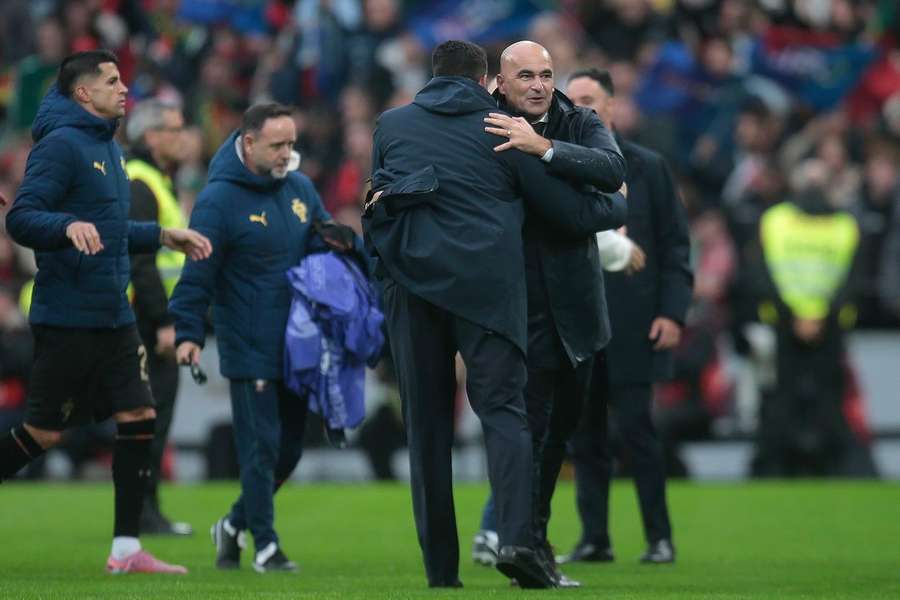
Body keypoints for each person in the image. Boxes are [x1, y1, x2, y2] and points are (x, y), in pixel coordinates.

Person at [364, 40, 626, 589]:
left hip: (413, 289)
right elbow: (567, 209)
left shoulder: (391, 124)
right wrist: (616, 205)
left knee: (427, 431)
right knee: (506, 415)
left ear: (432, 76)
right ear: (488, 82)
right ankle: (515, 541)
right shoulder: (501, 128)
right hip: (486, 292)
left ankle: (441, 572)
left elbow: (378, 194)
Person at [0, 50, 211, 574]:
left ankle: (126, 549)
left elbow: (111, 231)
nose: (123, 89)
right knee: (43, 433)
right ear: (83, 93)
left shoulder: (108, 148)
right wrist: (65, 225)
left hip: (114, 315)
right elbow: (22, 217)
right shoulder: (61, 146)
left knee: (140, 416)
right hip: (68, 316)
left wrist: (161, 235)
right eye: (112, 81)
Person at [471, 42, 628, 585]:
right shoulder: (485, 126)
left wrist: (543, 149)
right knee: (529, 433)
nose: (538, 85)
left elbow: (613, 169)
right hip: (517, 307)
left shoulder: (577, 120)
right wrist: (605, 205)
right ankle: (523, 543)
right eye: (526, 76)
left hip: (577, 309)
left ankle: (528, 541)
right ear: (501, 83)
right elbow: (599, 204)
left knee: (559, 433)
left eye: (545, 75)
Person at [169, 102, 331, 573]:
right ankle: (265, 545)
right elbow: (197, 272)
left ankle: (233, 524)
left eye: (291, 144)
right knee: (259, 450)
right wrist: (187, 331)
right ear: (248, 142)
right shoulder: (218, 200)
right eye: (277, 145)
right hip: (248, 342)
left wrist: (343, 245)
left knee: (289, 451)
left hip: (297, 343)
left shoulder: (300, 189)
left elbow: (322, 244)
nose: (286, 154)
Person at [560, 68, 693, 565]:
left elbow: (675, 246)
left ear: (612, 106)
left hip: (635, 323)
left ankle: (660, 537)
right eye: (572, 101)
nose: (580, 109)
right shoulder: (560, 164)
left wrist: (673, 313)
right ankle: (596, 538)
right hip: (580, 322)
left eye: (589, 99)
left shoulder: (648, 167)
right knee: (586, 437)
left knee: (639, 432)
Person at [124, 99, 193, 536]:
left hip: (152, 319)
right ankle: (141, 511)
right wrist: (164, 321)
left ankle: (146, 508)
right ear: (151, 137)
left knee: (151, 417)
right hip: (147, 323)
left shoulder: (156, 180)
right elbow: (141, 260)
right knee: (148, 416)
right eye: (174, 129)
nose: (183, 137)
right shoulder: (141, 182)